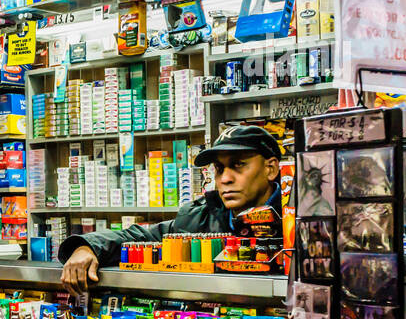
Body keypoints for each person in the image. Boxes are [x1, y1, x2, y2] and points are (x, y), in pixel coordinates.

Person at [58, 125, 283, 294]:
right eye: (219, 168)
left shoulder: (296, 221)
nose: (225, 179)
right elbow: (137, 237)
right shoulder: (198, 219)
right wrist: (85, 248)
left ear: (270, 169)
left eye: (238, 165)